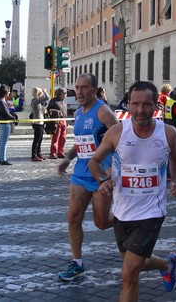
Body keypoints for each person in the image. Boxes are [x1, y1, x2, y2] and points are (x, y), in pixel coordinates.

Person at [89, 81, 176, 301]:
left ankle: (164, 265)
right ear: (128, 105)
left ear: (156, 106)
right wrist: (103, 180)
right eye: (135, 104)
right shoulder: (117, 132)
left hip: (152, 212)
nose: (141, 110)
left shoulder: (169, 134)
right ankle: (166, 264)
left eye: (146, 104)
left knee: (129, 273)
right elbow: (95, 161)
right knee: (136, 263)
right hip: (122, 212)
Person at [56, 73, 119, 281]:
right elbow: (82, 142)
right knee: (73, 218)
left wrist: (110, 169)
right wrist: (68, 157)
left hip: (99, 176)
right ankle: (77, 263)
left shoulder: (103, 111)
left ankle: (126, 221)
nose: (80, 92)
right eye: (77, 87)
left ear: (94, 89)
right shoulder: (79, 113)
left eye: (84, 87)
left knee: (102, 223)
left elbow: (121, 139)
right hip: (81, 174)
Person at [0, 84, 17, 166]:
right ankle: (3, 159)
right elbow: (6, 114)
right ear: (6, 92)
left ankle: (1, 158)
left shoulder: (0, 100)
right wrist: (14, 118)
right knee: (4, 142)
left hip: (1, 122)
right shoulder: (2, 101)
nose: (10, 92)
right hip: (5, 123)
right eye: (9, 91)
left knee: (2, 141)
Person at [30, 87, 49, 162]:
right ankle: (34, 155)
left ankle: (38, 153)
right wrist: (45, 91)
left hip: (40, 121)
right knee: (36, 139)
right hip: (37, 122)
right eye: (41, 93)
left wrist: (43, 110)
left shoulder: (36, 101)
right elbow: (47, 97)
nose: (42, 94)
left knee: (40, 139)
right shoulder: (35, 101)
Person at [48, 88, 68, 159]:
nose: (66, 95)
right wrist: (57, 112)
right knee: (56, 137)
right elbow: (49, 109)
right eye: (64, 93)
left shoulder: (64, 101)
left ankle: (60, 152)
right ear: (60, 93)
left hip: (64, 121)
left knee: (63, 137)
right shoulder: (54, 101)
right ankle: (53, 153)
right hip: (57, 121)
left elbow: (65, 112)